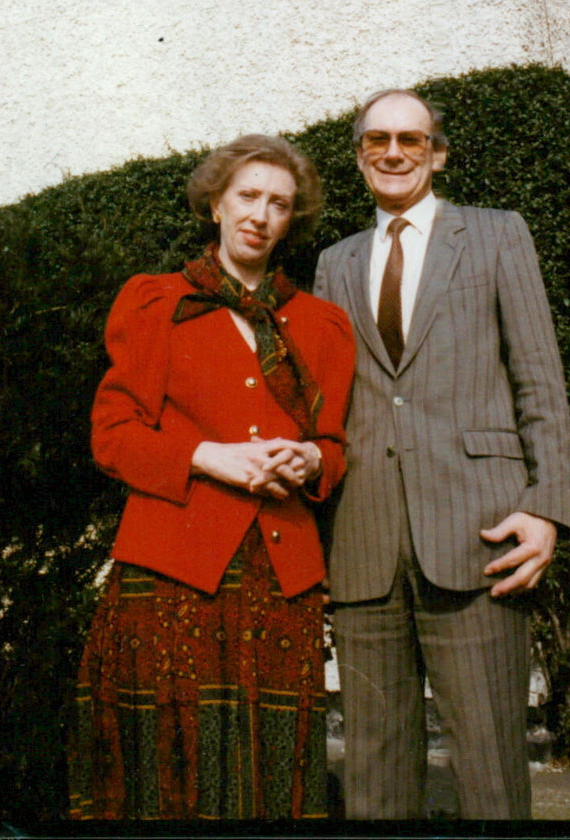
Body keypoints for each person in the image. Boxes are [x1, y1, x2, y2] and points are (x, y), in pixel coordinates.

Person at [68, 135, 355, 822]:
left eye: (278, 204)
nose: (260, 214)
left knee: (269, 773)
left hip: (280, 578)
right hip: (170, 567)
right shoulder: (155, 304)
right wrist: (208, 457)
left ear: (293, 221)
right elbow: (112, 436)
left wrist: (313, 461)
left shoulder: (321, 325)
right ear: (217, 205)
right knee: (165, 769)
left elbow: (334, 444)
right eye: (247, 196)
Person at [314, 89, 570, 820]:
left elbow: (540, 383)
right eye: (376, 141)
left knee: (491, 772)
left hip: (479, 536)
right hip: (363, 546)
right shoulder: (334, 263)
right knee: (373, 778)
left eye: (411, 140)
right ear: (359, 155)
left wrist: (547, 507)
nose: (393, 153)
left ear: (438, 153)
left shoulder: (496, 235)